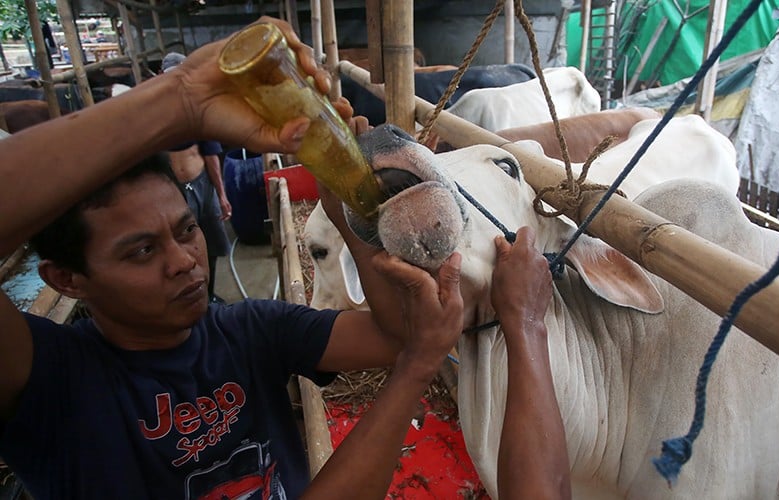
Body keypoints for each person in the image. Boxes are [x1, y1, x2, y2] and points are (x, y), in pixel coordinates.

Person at [0, 17, 568, 499]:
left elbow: (393, 335)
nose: (184, 262)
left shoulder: (246, 330)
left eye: (186, 230)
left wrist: (350, 209)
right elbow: (408, 352)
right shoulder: (47, 382)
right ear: (66, 279)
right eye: (142, 251)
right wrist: (181, 100)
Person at [161, 51, 233, 304]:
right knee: (181, 244)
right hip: (176, 190)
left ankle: (209, 294)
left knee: (211, 240)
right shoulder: (156, 116)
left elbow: (212, 154)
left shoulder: (198, 109)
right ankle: (189, 297)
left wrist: (222, 195)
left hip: (202, 183)